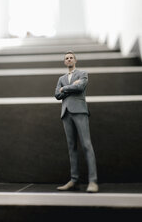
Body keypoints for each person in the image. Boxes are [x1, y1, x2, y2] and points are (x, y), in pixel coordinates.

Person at [55, 51, 98, 193]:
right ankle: (74, 180)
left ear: (75, 60)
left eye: (71, 57)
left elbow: (80, 87)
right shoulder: (61, 78)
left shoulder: (83, 73)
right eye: (66, 58)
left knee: (86, 145)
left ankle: (93, 181)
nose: (68, 59)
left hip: (79, 111)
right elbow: (57, 94)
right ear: (64, 62)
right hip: (66, 113)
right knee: (71, 147)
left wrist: (65, 88)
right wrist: (70, 87)